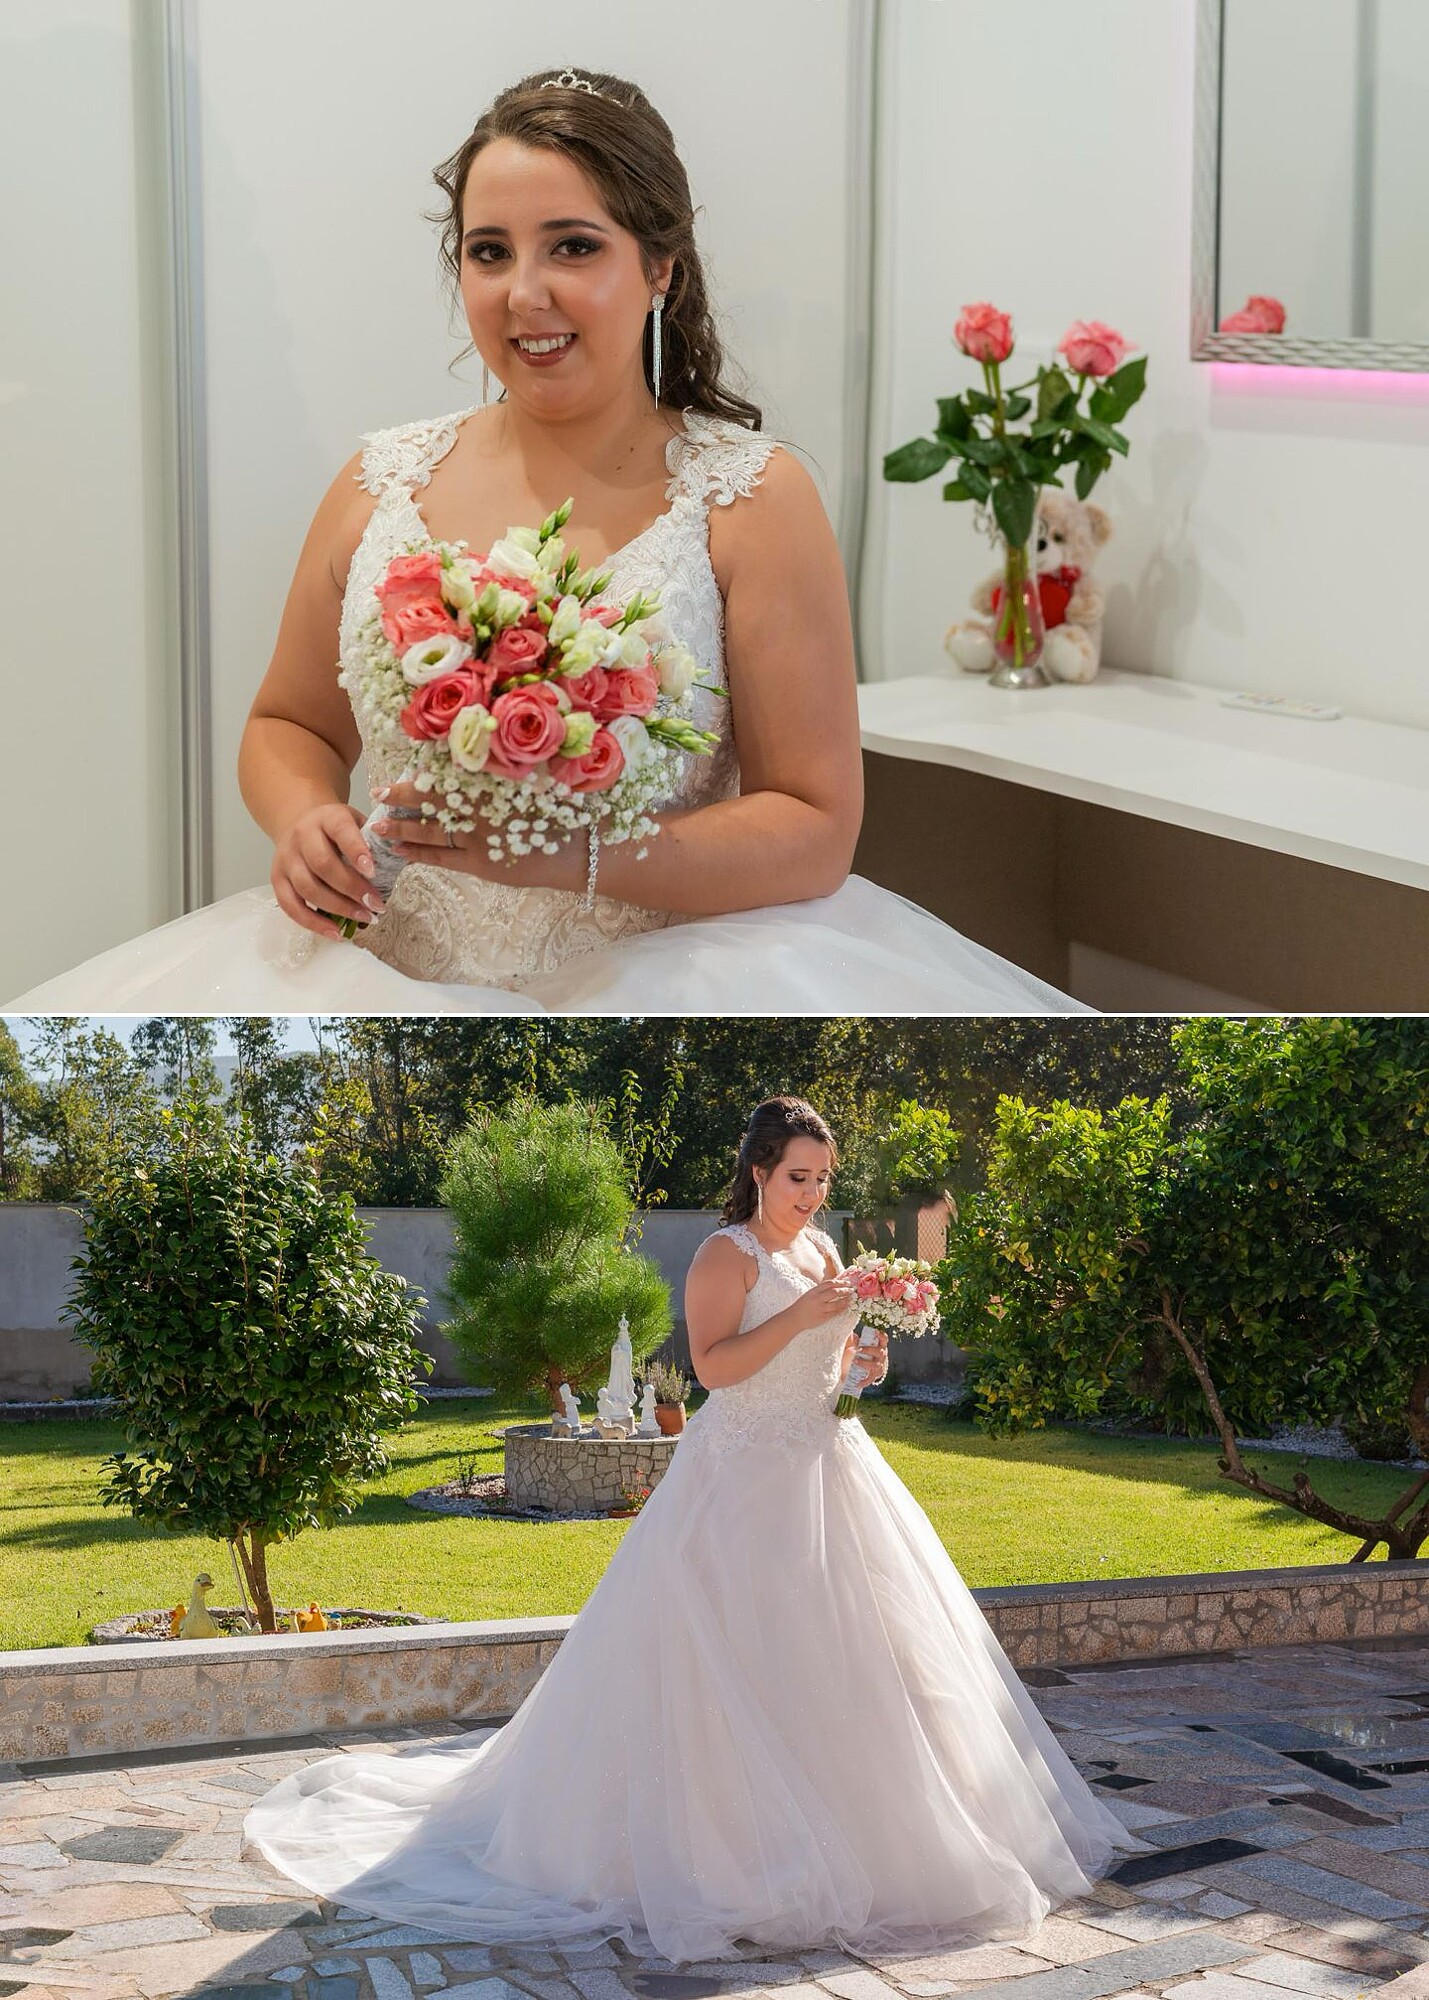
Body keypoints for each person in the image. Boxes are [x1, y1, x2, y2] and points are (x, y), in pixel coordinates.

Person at [3, 67, 1086, 1016]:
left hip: (659, 978)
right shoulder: (378, 482)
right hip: (381, 966)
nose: (526, 295)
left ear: (660, 267)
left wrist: (581, 856)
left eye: (573, 246)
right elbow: (288, 721)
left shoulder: (750, 498)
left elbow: (813, 827)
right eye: (490, 252)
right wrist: (305, 820)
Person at [243, 1096, 1134, 1962]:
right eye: (797, 1176)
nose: (812, 1193)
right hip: (741, 1481)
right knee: (729, 1653)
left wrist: (863, 1360)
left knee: (851, 1655)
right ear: (759, 1172)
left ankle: (877, 1843)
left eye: (823, 1178)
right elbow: (712, 1369)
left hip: (828, 1466)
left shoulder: (824, 1249)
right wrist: (803, 1315)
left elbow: (832, 1371)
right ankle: (733, 1856)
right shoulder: (725, 1254)